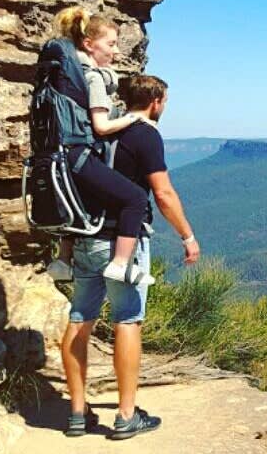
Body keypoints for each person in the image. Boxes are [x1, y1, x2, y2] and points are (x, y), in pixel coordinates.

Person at [61, 74, 200, 440]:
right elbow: (163, 193)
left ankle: (77, 412)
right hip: (125, 240)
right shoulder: (146, 133)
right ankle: (125, 415)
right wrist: (187, 235)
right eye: (165, 101)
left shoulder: (99, 130)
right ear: (156, 101)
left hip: (86, 238)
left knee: (79, 318)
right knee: (127, 320)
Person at [45, 7, 154, 285]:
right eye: (111, 44)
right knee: (136, 199)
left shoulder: (67, 73)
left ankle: (62, 261)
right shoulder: (92, 77)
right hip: (78, 154)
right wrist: (134, 118)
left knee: (82, 204)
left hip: (59, 155)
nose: (116, 52)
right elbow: (101, 127)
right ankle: (121, 264)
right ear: (88, 44)